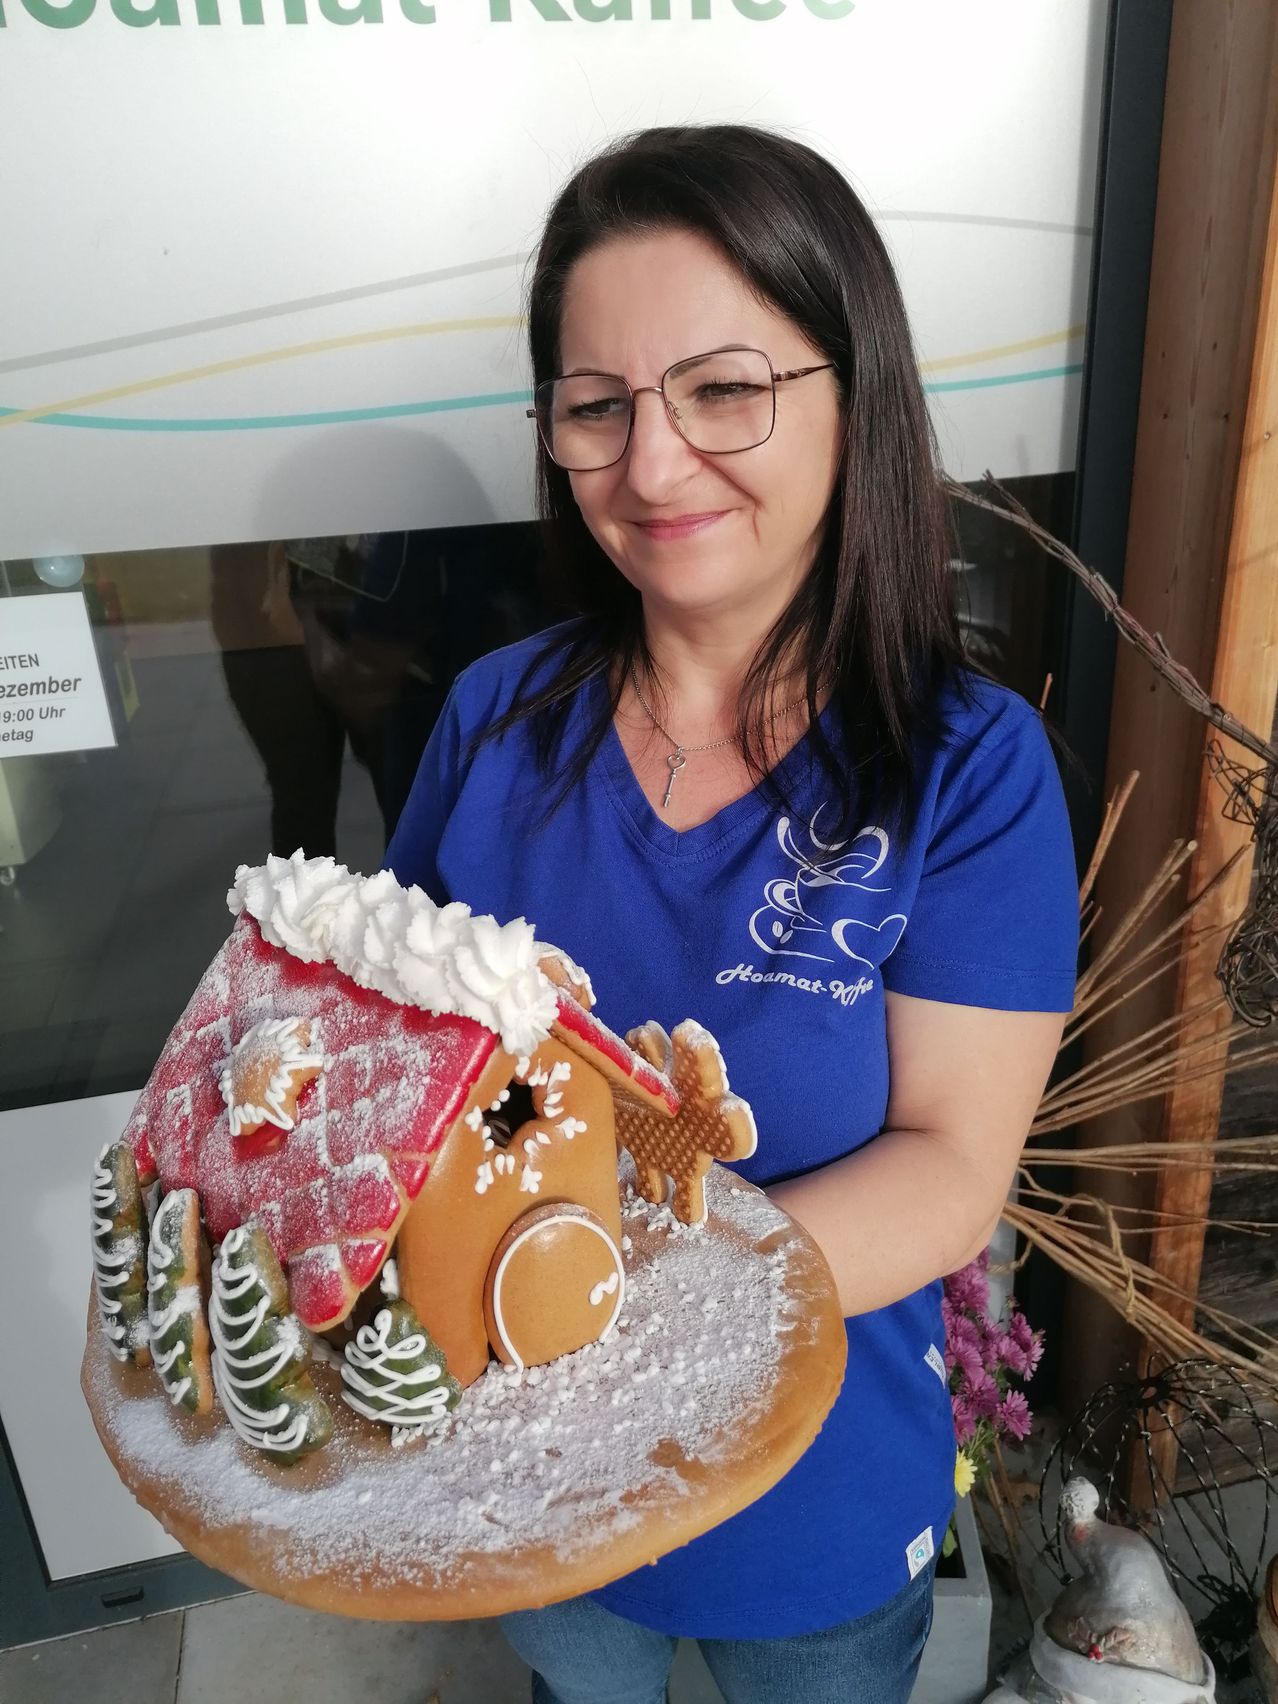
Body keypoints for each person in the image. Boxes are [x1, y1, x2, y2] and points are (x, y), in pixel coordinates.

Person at [385, 124, 1079, 1704]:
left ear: (855, 399)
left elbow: (951, 1173)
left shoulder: (965, 769)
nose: (648, 463)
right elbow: (411, 1063)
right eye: (596, 406)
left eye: (723, 390)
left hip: (810, 1508)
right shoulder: (497, 715)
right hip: (531, 1489)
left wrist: (600, 1301)